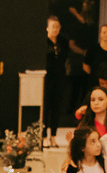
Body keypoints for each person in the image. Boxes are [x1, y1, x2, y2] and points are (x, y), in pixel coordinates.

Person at [42, 17, 70, 149]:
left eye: (57, 27)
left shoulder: (63, 42)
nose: (55, 29)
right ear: (47, 28)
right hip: (47, 77)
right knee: (46, 106)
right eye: (53, 26)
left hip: (59, 77)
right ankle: (43, 137)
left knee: (56, 107)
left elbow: (66, 58)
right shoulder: (43, 41)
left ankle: (53, 136)